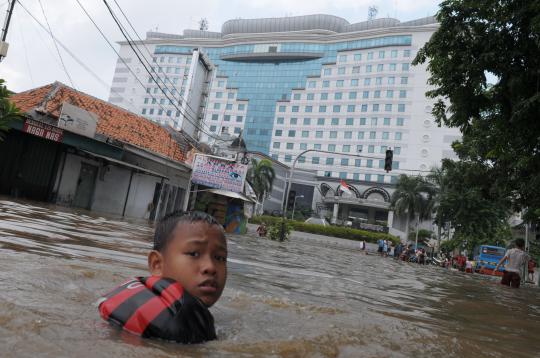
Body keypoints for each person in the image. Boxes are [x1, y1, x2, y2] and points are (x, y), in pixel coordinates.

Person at [98, 211, 227, 343]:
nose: (210, 267)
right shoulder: (170, 320)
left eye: (220, 258)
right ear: (157, 264)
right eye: (194, 254)